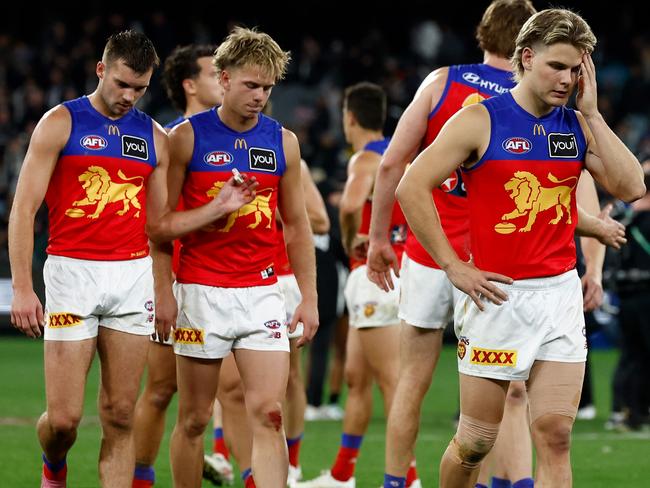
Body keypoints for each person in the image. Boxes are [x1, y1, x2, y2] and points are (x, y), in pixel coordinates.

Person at [396, 8, 645, 488]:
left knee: (555, 436)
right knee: (474, 444)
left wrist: (592, 112)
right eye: (557, 66)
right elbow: (412, 185)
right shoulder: (479, 120)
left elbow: (632, 185)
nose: (567, 79)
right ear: (526, 57)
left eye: (576, 69)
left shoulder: (576, 123)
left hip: (558, 298)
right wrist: (453, 266)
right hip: (498, 299)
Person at [365, 2, 538, 487]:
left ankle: (395, 483)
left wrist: (379, 237)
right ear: (531, 44)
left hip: (425, 252)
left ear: (483, 33)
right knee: (505, 388)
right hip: (492, 260)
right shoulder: (533, 96)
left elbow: (391, 163)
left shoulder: (441, 81)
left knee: (411, 383)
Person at [146, 26, 319, 488]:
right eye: (250, 85)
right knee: (196, 420)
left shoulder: (283, 142)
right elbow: (158, 228)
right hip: (201, 291)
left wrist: (309, 298)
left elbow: (298, 226)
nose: (260, 96)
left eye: (267, 87)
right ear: (223, 79)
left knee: (270, 415)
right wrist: (165, 292)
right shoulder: (185, 138)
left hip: (262, 292)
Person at [8, 30, 165, 487]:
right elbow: (23, 208)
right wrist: (22, 287)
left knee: (120, 414)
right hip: (72, 272)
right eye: (121, 83)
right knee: (64, 421)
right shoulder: (61, 122)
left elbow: (159, 226)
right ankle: (53, 466)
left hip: (133, 275)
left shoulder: (155, 136)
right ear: (101, 70)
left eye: (139, 88)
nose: (129, 96)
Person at [294, 82, 417, 488]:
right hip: (396, 270)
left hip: (374, 275)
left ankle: (407, 478)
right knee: (355, 379)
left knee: (391, 382)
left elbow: (348, 205)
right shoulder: (403, 154)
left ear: (349, 117)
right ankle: (343, 474)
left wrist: (348, 240)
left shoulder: (367, 158)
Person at [130, 43, 238, 487]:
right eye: (216, 73)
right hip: (175, 281)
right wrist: (163, 288)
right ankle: (140, 478)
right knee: (160, 390)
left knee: (230, 391)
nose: (224, 79)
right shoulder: (176, 140)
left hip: (225, 284)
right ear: (191, 85)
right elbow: (154, 223)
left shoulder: (231, 138)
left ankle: (240, 466)